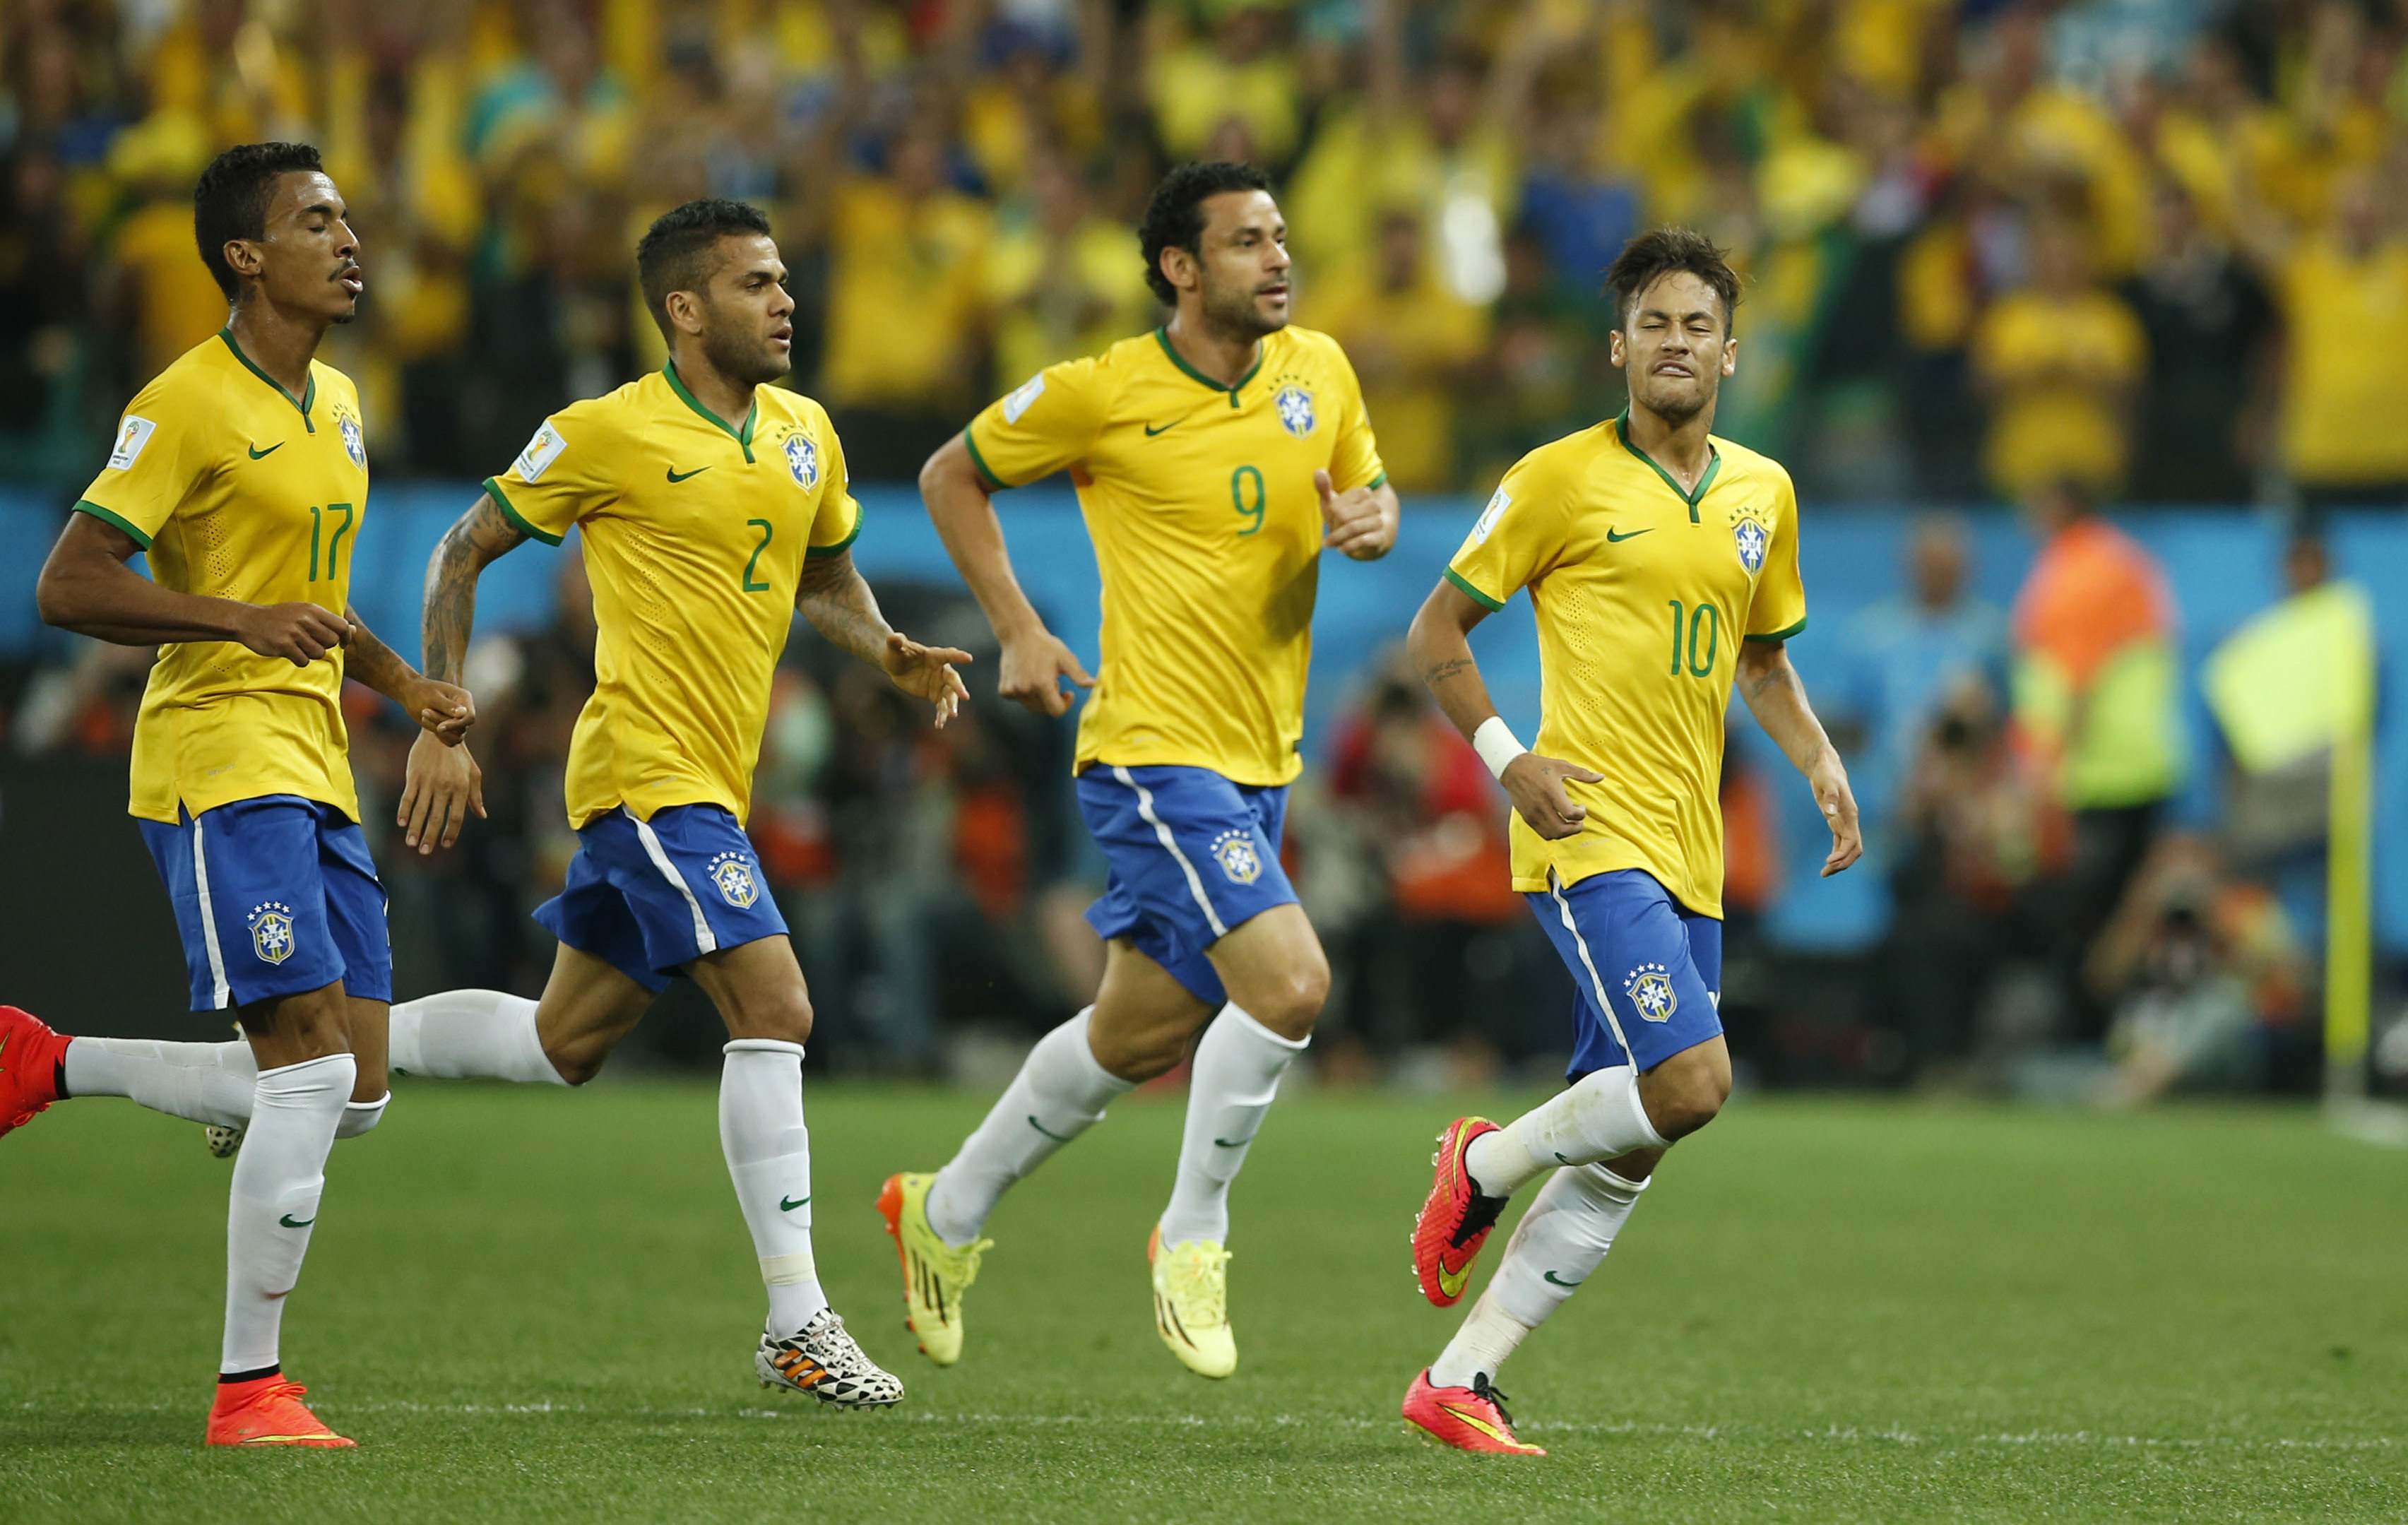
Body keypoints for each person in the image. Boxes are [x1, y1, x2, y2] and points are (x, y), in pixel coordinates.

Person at [367, 198, 973, 1409]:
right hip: (647, 776)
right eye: (756, 283)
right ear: (684, 310)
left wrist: (888, 648)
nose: (785, 299)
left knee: (563, 1042)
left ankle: (311, 1060)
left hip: (714, 791)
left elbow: (824, 575)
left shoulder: (805, 433)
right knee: (778, 1003)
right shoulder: (607, 431)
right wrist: (443, 718)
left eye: (786, 279)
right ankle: (796, 1319)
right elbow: (461, 549)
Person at [882, 160, 1398, 1381]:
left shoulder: (1317, 369)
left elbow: (1362, 484)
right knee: (1287, 984)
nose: (1276, 259)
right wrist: (1012, 621)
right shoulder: (1104, 391)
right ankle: (1194, 1232)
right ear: (1179, 267)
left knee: (1136, 1031)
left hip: (1260, 760)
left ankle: (940, 1212)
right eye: (1244, 243)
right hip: (1153, 755)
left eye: (1280, 236)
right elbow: (948, 474)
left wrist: (1369, 516)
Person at [0, 143, 473, 1447]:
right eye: (315, 219)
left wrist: (414, 691)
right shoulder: (184, 402)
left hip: (316, 755)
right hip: (217, 757)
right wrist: (226, 620)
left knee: (356, 1088)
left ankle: (51, 1061)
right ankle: (248, 1392)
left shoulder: (340, 403)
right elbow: (70, 581)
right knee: (312, 1075)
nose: (347, 237)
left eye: (346, 214)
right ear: (244, 257)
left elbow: (309, 604)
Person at [1396, 227, 1862, 1453]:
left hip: (1690, 845)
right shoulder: (1557, 478)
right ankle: (1483, 1162)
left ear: (1728, 352)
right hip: (1585, 830)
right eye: (1651, 323)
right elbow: (1435, 631)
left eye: (1694, 325)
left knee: (1642, 1138)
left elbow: (1760, 659)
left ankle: (1459, 1379)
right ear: (1617, 348)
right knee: (1694, 1085)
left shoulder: (1762, 493)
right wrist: (1511, 761)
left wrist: (1816, 758)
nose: (1673, 343)